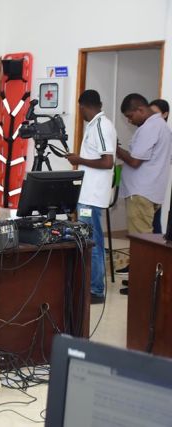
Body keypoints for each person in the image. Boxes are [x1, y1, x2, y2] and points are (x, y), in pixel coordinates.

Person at [65, 90, 117, 304]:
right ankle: (90, 285)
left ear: (83, 107)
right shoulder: (94, 125)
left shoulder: (102, 125)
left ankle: (96, 290)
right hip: (87, 195)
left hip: (92, 198)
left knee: (92, 243)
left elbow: (107, 162)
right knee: (89, 241)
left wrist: (79, 160)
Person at [116, 93, 172, 283]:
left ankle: (142, 286)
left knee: (142, 244)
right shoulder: (161, 126)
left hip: (140, 193)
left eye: (130, 116)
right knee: (148, 241)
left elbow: (135, 161)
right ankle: (144, 283)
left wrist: (116, 149)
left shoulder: (150, 127)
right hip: (151, 191)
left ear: (140, 110)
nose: (129, 121)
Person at [149, 98, 169, 233]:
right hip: (150, 187)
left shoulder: (165, 133)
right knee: (154, 223)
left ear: (165, 114)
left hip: (154, 185)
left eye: (155, 113)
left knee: (154, 224)